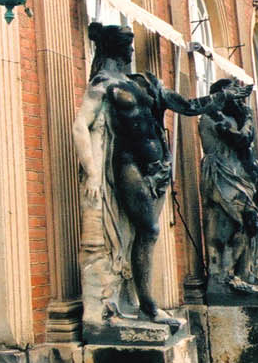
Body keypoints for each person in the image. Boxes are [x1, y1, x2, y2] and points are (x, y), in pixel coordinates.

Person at [74, 23, 239, 336]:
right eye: (127, 45)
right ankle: (145, 305)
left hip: (158, 170)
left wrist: (220, 98)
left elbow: (187, 106)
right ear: (114, 48)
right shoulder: (103, 82)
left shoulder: (145, 82)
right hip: (128, 164)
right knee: (148, 230)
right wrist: (92, 172)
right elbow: (81, 124)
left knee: (146, 234)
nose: (131, 50)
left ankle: (143, 304)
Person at [199, 79, 258, 297]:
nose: (238, 98)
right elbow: (242, 139)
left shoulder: (229, 117)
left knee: (248, 225)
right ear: (221, 94)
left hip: (237, 174)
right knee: (238, 223)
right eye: (233, 93)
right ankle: (224, 276)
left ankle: (245, 273)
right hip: (222, 174)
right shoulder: (212, 116)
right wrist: (248, 116)